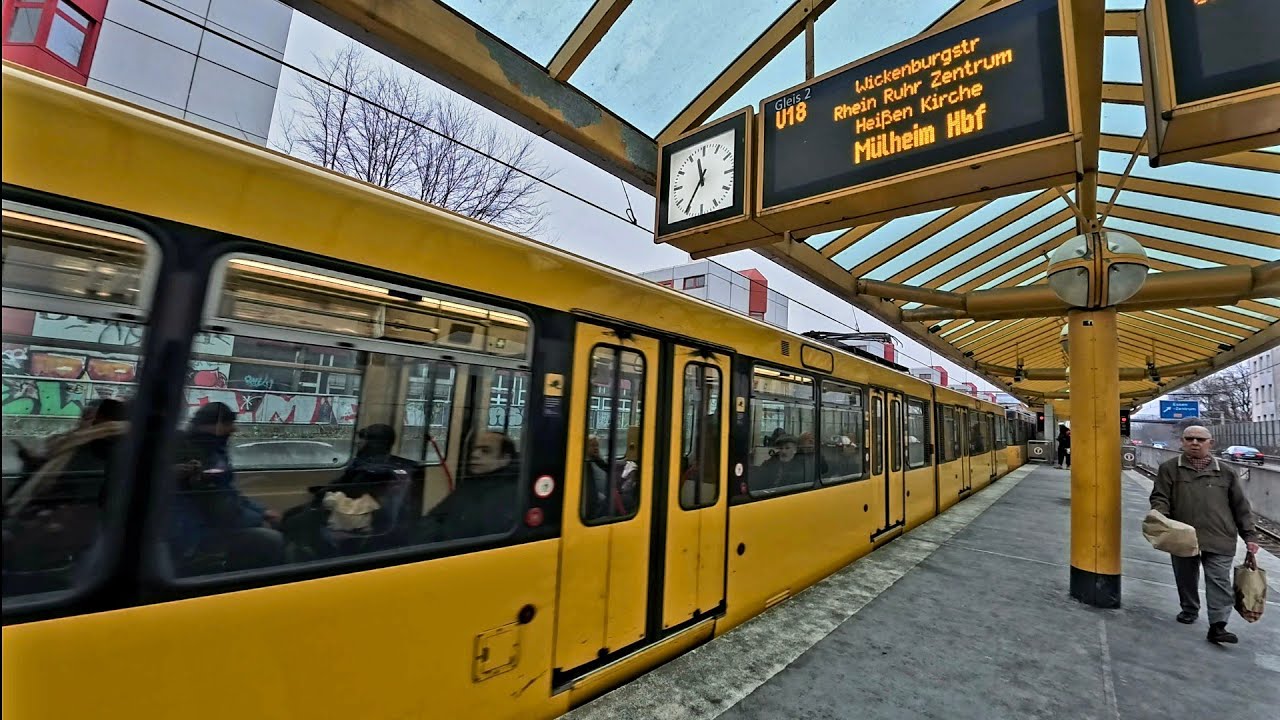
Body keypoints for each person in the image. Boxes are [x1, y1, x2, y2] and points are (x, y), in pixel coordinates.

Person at [1150, 425, 1261, 645]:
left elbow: (1241, 506)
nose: (1194, 443)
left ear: (1210, 443)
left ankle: (1218, 626)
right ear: (1182, 441)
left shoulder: (1226, 472)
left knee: (1219, 581)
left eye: (1200, 439)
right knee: (1186, 577)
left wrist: (1250, 536)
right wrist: (1160, 517)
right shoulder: (1170, 469)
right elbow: (1160, 497)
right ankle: (1189, 609)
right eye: (1189, 438)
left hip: (1220, 536)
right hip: (1182, 536)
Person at [3, 399, 128, 592]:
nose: (83, 419)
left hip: (75, 523)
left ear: (102, 418)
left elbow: (78, 486)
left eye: (89, 415)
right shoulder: (80, 441)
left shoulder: (99, 445)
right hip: (62, 519)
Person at [169, 402, 283, 574]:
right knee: (272, 539)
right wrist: (258, 519)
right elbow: (218, 507)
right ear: (213, 426)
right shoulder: (194, 453)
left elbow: (229, 492)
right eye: (228, 424)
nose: (233, 429)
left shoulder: (216, 451)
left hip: (213, 521)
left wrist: (262, 511)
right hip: (196, 532)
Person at [282, 423, 414, 558]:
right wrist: (326, 489)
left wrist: (325, 491)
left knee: (294, 520)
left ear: (374, 442)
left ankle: (316, 556)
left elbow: (355, 490)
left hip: (357, 512)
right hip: (344, 503)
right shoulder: (363, 460)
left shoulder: (378, 469)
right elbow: (344, 481)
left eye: (363, 439)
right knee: (291, 514)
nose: (358, 443)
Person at [415, 431, 519, 542]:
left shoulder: (508, 493)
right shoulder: (471, 484)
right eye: (475, 449)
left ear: (504, 459)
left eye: (485, 451)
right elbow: (437, 516)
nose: (475, 454)